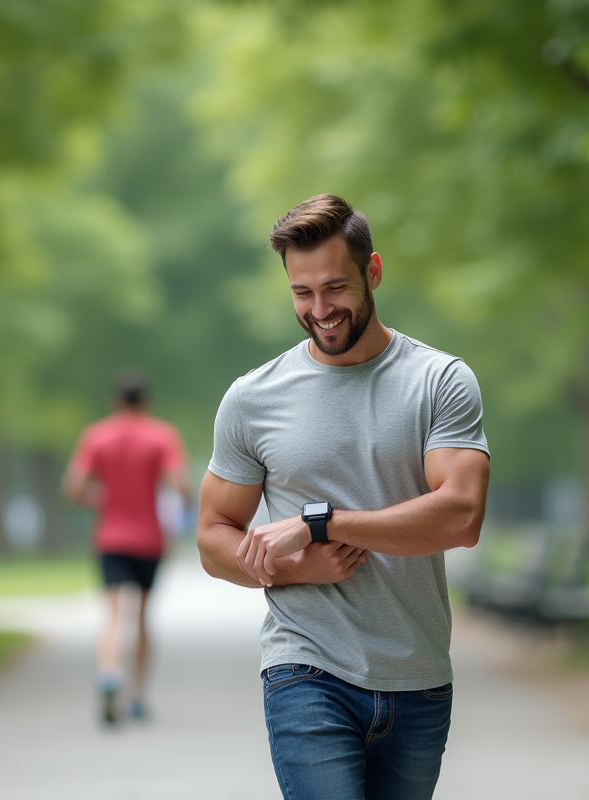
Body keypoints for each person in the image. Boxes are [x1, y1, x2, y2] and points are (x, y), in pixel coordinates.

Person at [197, 194, 490, 800]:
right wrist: (295, 569)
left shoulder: (439, 381)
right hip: (306, 669)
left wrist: (323, 523)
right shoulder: (253, 399)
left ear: (372, 272)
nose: (320, 309)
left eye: (335, 288)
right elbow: (211, 536)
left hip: (416, 675)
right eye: (302, 293)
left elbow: (462, 515)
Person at [63, 373, 191, 725]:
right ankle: (137, 696)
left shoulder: (97, 436)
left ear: (115, 401)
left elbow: (73, 488)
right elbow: (181, 487)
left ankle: (109, 674)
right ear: (146, 402)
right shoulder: (162, 436)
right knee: (144, 617)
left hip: (111, 538)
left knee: (113, 614)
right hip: (149, 539)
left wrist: (101, 499)